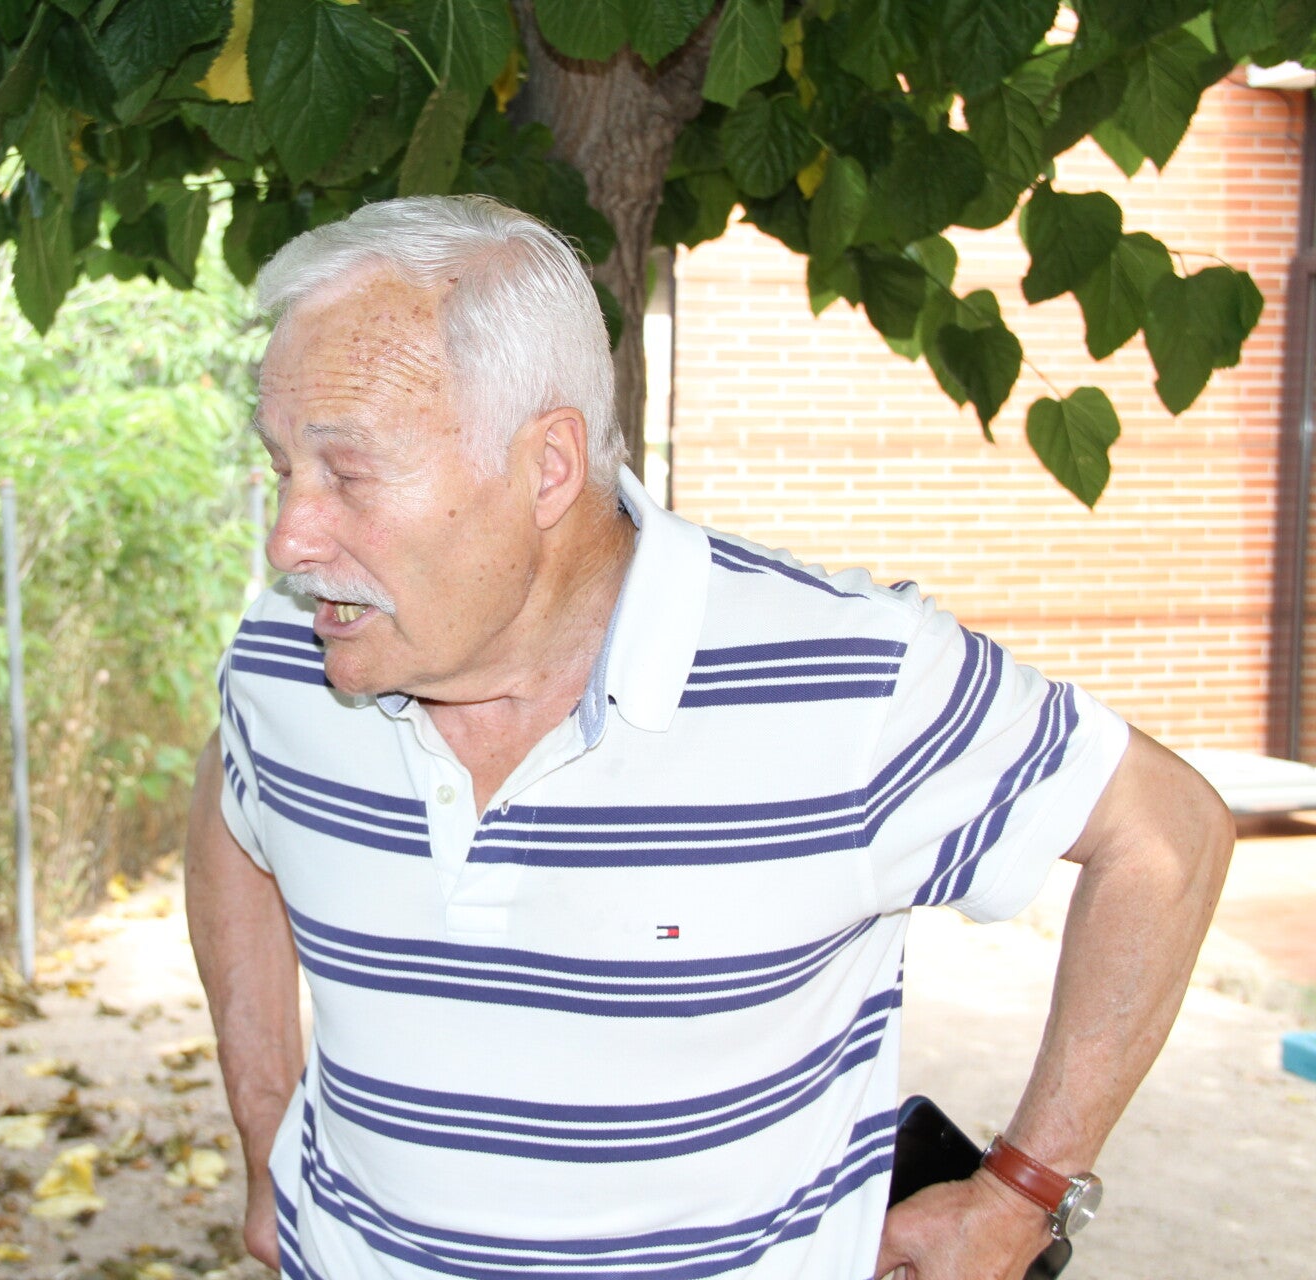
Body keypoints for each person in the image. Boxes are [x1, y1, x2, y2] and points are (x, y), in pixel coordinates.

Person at [185, 195, 1233, 1280]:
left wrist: (1022, 1193)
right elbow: (236, 803)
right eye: (283, 467)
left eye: (348, 473)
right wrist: (265, 1135)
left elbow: (1166, 835)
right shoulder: (287, 659)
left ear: (547, 467)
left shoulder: (845, 680)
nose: (289, 539)